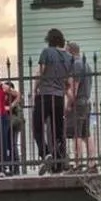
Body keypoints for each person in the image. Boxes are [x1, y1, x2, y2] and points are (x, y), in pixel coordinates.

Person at [33, 28, 75, 173]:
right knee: (58, 131)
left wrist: (35, 88)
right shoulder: (70, 57)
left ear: (50, 40)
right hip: (58, 97)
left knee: (37, 127)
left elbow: (40, 72)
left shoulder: (47, 52)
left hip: (44, 95)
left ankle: (46, 153)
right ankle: (59, 161)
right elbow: (68, 82)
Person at [66, 42, 97, 171]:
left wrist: (68, 103)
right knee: (86, 134)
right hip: (86, 103)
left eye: (67, 52)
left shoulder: (76, 65)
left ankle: (78, 164)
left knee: (76, 135)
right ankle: (92, 164)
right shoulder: (86, 65)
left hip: (78, 104)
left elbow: (74, 89)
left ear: (71, 52)